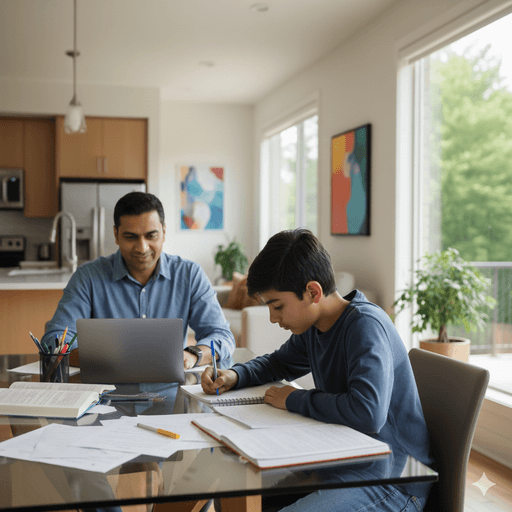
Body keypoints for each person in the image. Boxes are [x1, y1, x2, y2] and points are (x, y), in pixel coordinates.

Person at [202, 228, 434, 511]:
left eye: (277, 306)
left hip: (392, 482)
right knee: (232, 492)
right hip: (343, 463)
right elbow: (279, 363)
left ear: (312, 291)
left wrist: (294, 399)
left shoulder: (364, 325)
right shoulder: (316, 326)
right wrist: (235, 374)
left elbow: (367, 413)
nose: (273, 318)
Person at [42, 191, 235, 368]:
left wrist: (193, 354)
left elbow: (222, 336)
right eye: (131, 237)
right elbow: (55, 339)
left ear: (164, 232)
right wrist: (102, 359)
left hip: (170, 393)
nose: (142, 248)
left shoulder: (190, 274)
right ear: (116, 235)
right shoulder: (88, 277)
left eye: (151, 236)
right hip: (104, 394)